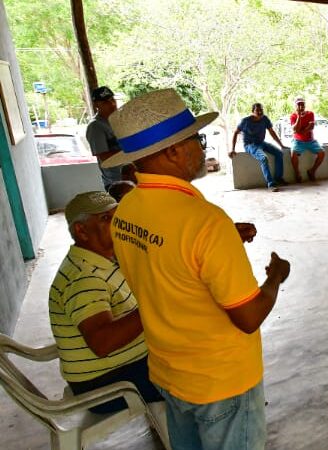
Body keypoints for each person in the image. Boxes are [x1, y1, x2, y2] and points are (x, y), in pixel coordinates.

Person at [102, 89, 291, 450]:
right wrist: (275, 277)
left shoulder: (125, 210)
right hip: (222, 382)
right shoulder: (204, 222)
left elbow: (163, 264)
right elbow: (248, 315)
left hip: (169, 374)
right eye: (196, 140)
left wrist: (220, 242)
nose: (201, 148)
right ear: (173, 151)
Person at [48, 191, 162, 414]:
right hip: (108, 385)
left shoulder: (103, 259)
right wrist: (154, 302)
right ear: (81, 231)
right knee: (200, 371)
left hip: (124, 368)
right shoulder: (83, 277)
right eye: (106, 219)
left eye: (118, 217)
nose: (118, 225)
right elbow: (102, 342)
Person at [230, 102, 288, 191]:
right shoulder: (245, 121)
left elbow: (272, 132)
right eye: (257, 110)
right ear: (252, 111)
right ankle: (271, 184)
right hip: (250, 145)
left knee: (279, 153)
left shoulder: (265, 119)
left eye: (261, 110)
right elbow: (235, 133)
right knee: (264, 158)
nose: (260, 112)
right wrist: (232, 149)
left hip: (261, 143)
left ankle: (278, 178)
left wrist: (281, 145)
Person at [86, 86, 122, 191]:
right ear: (96, 105)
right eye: (105, 102)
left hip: (132, 175)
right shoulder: (95, 126)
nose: (112, 104)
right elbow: (104, 156)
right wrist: (129, 148)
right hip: (116, 181)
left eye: (112, 100)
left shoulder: (118, 120)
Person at [290, 97, 325, 183]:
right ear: (295, 106)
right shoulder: (293, 116)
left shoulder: (310, 114)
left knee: (322, 153)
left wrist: (300, 131)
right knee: (293, 154)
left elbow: (311, 127)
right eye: (299, 104)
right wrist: (299, 116)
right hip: (298, 141)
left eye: (302, 104)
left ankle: (312, 171)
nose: (301, 106)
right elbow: (295, 130)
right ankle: (297, 173)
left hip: (310, 140)